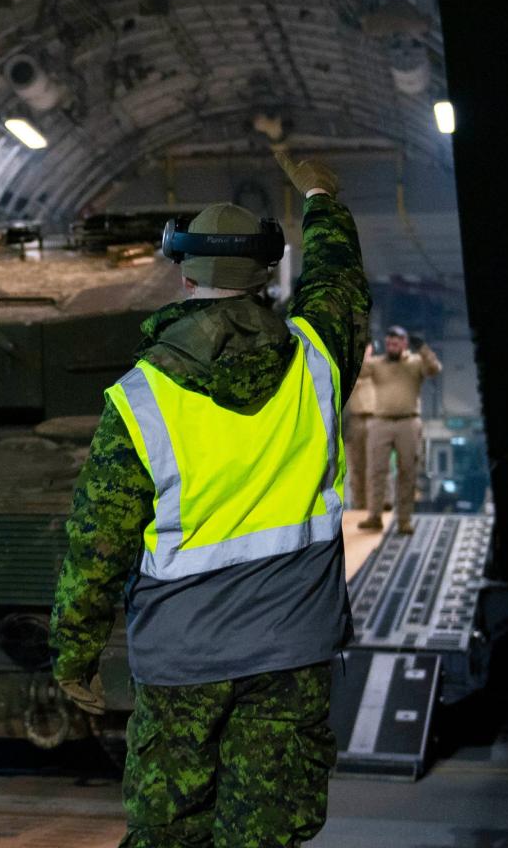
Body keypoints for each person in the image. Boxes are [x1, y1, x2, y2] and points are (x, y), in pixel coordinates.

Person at [50, 149, 369, 848]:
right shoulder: (317, 361)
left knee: (169, 836)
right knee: (264, 835)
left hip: (180, 661)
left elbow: (97, 545)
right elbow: (339, 282)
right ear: (266, 274)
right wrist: (321, 202)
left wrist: (74, 652)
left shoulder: (141, 399)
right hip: (291, 651)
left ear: (184, 272)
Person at [356, 326, 441, 533]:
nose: (391, 346)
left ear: (404, 343)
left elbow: (434, 370)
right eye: (389, 343)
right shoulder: (377, 364)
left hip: (408, 422)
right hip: (380, 422)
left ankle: (404, 521)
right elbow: (357, 370)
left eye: (395, 343)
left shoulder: (416, 362)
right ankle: (374, 516)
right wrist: (360, 349)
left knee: (407, 471)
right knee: (376, 471)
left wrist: (424, 350)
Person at [344, 371, 376, 515]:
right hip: (353, 421)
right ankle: (359, 506)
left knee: (374, 466)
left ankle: (374, 506)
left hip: (373, 419)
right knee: (356, 468)